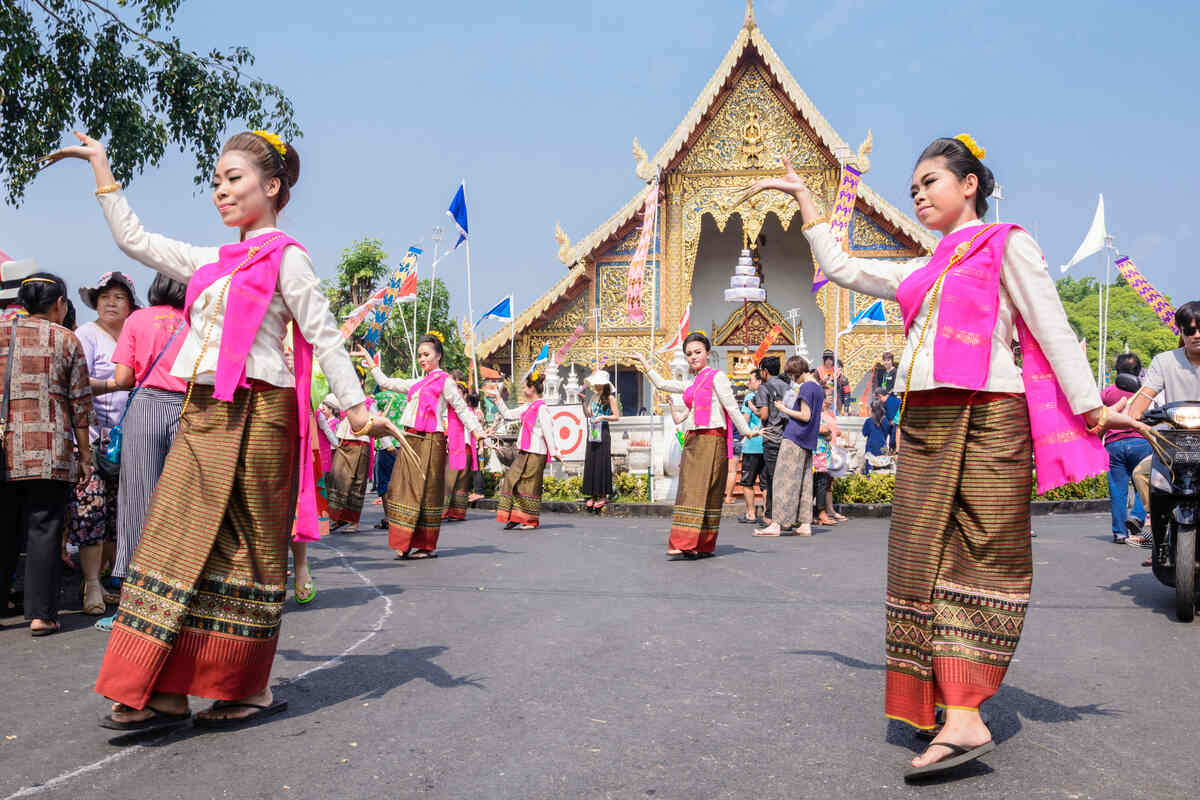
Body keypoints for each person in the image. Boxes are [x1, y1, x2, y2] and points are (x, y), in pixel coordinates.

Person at [746, 136, 1142, 777]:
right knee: (919, 557)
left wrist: (1092, 407)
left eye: (931, 181)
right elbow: (844, 269)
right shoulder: (923, 267)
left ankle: (963, 712)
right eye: (913, 189)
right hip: (925, 420)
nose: (920, 195)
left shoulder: (1006, 243)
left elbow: (1051, 325)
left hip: (991, 414)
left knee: (983, 552)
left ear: (970, 186)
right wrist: (807, 202)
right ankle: (944, 699)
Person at [50, 129, 398, 730]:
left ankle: (242, 687)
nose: (221, 191)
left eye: (233, 179)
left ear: (271, 186)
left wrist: (357, 408)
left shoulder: (288, 256)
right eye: (216, 181)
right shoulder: (213, 262)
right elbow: (135, 240)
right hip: (204, 410)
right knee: (175, 538)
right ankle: (164, 687)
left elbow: (324, 332)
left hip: (263, 413)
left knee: (245, 553)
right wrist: (102, 167)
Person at [93, 273, 189, 631]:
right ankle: (181, 604)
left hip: (146, 407)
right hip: (189, 409)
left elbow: (123, 379)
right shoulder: (196, 319)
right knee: (183, 505)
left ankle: (132, 606)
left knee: (137, 503)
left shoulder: (137, 319)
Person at [0, 273, 94, 635]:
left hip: (5, 444)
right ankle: (41, 614)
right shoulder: (66, 339)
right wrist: (85, 455)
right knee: (44, 529)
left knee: (4, 528)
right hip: (49, 449)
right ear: (58, 305)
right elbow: (80, 404)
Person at [634, 333, 759, 558]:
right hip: (693, 440)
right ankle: (693, 544)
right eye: (689, 354)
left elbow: (731, 408)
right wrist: (645, 364)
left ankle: (693, 543)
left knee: (704, 490)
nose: (693, 357)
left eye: (697, 352)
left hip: (712, 440)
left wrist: (746, 431)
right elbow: (662, 384)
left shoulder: (716, 377)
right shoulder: (692, 383)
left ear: (707, 354)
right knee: (689, 490)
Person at [360, 334, 484, 557]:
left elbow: (461, 407)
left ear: (438, 356)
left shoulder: (444, 381)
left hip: (430, 441)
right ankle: (405, 540)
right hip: (410, 439)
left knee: (427, 492)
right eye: (419, 355)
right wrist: (372, 365)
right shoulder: (418, 382)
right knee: (402, 487)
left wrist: (477, 431)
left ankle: (426, 546)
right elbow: (387, 383)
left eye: (426, 354)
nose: (422, 359)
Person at [71, 270, 138, 614]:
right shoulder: (86, 334)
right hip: (91, 440)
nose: (111, 303)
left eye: (119, 297)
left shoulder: (135, 334)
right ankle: (92, 585)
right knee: (91, 511)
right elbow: (78, 381)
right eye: (105, 297)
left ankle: (110, 577)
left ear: (130, 305)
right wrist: (115, 384)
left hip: (129, 440)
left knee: (118, 513)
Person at [1127, 302, 1200, 551]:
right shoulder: (1164, 361)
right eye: (1190, 330)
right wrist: (1138, 416)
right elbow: (1143, 397)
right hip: (1173, 445)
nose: (1197, 335)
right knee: (1142, 473)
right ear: (1180, 331)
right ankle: (1159, 530)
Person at [755, 356, 822, 536]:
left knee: (782, 480)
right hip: (808, 440)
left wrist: (783, 409)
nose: (792, 380)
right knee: (804, 482)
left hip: (794, 437)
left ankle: (777, 523)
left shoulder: (807, 387)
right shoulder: (818, 387)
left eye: (793, 375)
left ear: (799, 372)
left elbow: (805, 415)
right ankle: (805, 524)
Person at [490, 371, 563, 529]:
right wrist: (498, 400)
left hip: (537, 452)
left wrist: (554, 450)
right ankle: (517, 515)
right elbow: (508, 414)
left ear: (532, 389)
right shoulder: (528, 406)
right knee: (511, 479)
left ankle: (530, 520)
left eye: (525, 386)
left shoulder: (542, 408)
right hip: (525, 451)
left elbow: (548, 431)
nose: (523, 389)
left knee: (529, 486)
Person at [1100, 353, 1151, 544]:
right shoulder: (1145, 391)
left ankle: (1120, 533)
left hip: (1113, 445)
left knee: (1117, 491)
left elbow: (1098, 415)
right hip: (1140, 442)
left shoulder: (1107, 392)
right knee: (1144, 482)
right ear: (1138, 372)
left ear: (1117, 371)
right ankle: (1137, 516)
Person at [327, 394, 374, 533]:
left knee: (357, 484)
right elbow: (326, 401)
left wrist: (387, 444)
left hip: (361, 444)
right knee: (337, 479)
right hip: (343, 443)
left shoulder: (370, 403)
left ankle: (353, 522)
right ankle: (338, 518)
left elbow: (377, 422)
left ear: (361, 382)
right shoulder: (342, 397)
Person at [753, 356, 789, 524]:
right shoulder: (787, 386)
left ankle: (773, 515)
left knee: (773, 477)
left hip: (772, 436)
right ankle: (777, 514)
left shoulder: (764, 388)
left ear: (765, 371)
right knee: (780, 476)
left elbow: (764, 414)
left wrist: (754, 409)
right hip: (787, 436)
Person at [581, 369, 620, 513]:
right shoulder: (593, 396)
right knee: (591, 460)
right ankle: (592, 493)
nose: (597, 386)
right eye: (595, 384)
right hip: (593, 430)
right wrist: (583, 402)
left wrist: (602, 417)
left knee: (602, 461)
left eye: (599, 384)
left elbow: (616, 416)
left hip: (602, 431)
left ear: (605, 384)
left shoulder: (610, 398)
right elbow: (588, 414)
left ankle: (603, 494)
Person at [443, 392, 484, 522]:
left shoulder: (467, 412)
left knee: (460, 481)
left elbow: (478, 429)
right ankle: (445, 511)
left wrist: (482, 445)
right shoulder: (450, 409)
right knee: (449, 481)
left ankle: (456, 512)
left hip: (464, 449)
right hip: (454, 448)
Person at [737, 370, 766, 524]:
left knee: (748, 482)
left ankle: (750, 513)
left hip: (752, 443)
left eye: (751, 380)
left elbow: (745, 419)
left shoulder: (750, 397)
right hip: (766, 443)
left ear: (759, 381)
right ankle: (768, 514)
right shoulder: (769, 395)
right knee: (765, 483)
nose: (749, 383)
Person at [861, 394, 896, 475]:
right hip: (883, 448)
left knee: (870, 471)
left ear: (872, 409)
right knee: (883, 469)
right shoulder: (886, 421)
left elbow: (864, 433)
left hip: (870, 448)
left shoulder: (869, 421)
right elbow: (891, 433)